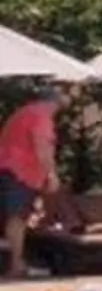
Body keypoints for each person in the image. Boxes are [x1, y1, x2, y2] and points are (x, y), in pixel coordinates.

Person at [0, 85, 62, 280]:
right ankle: (16, 264)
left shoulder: (23, 114)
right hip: (21, 172)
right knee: (17, 217)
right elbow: (42, 147)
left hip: (9, 168)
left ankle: (18, 262)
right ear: (54, 101)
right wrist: (51, 174)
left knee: (16, 216)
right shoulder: (41, 116)